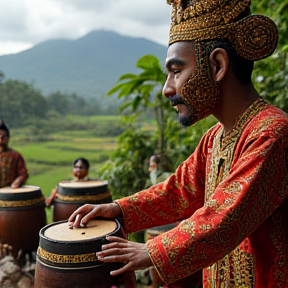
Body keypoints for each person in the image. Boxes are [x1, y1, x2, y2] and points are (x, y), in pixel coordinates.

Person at [69, 0, 288, 287]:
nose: (167, 88)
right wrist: (121, 209)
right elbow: (179, 192)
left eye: (176, 71)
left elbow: (226, 217)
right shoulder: (214, 138)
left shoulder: (272, 134)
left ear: (218, 65)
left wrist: (151, 251)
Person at [0, 119, 29, 188]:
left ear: (8, 138)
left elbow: (23, 174)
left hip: (10, 193)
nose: (1, 139)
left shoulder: (16, 156)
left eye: (3, 137)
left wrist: (18, 181)